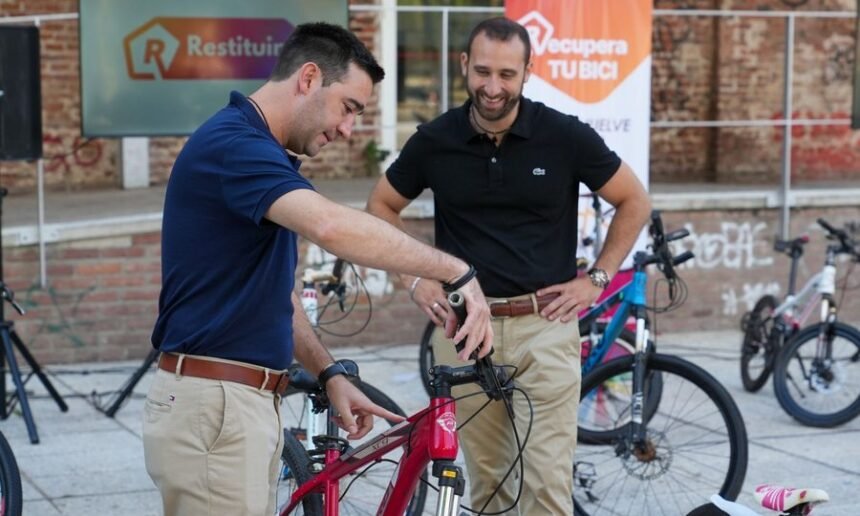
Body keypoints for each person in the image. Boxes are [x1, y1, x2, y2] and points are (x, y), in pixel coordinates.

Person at [142, 22, 493, 516]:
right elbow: (331, 226)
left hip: (236, 405)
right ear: (308, 78)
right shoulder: (236, 146)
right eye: (349, 108)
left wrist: (328, 373)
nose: (349, 130)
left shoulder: (260, 152)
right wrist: (456, 269)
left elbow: (274, 297)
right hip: (216, 406)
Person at [366, 17, 651, 515]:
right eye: (481, 72)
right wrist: (413, 278)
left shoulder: (564, 136)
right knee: (490, 488)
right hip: (464, 333)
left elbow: (633, 201)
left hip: (546, 326)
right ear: (463, 67)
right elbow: (380, 207)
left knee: (545, 488)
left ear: (527, 72)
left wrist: (596, 280)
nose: (492, 87)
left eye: (505, 74)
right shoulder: (436, 140)